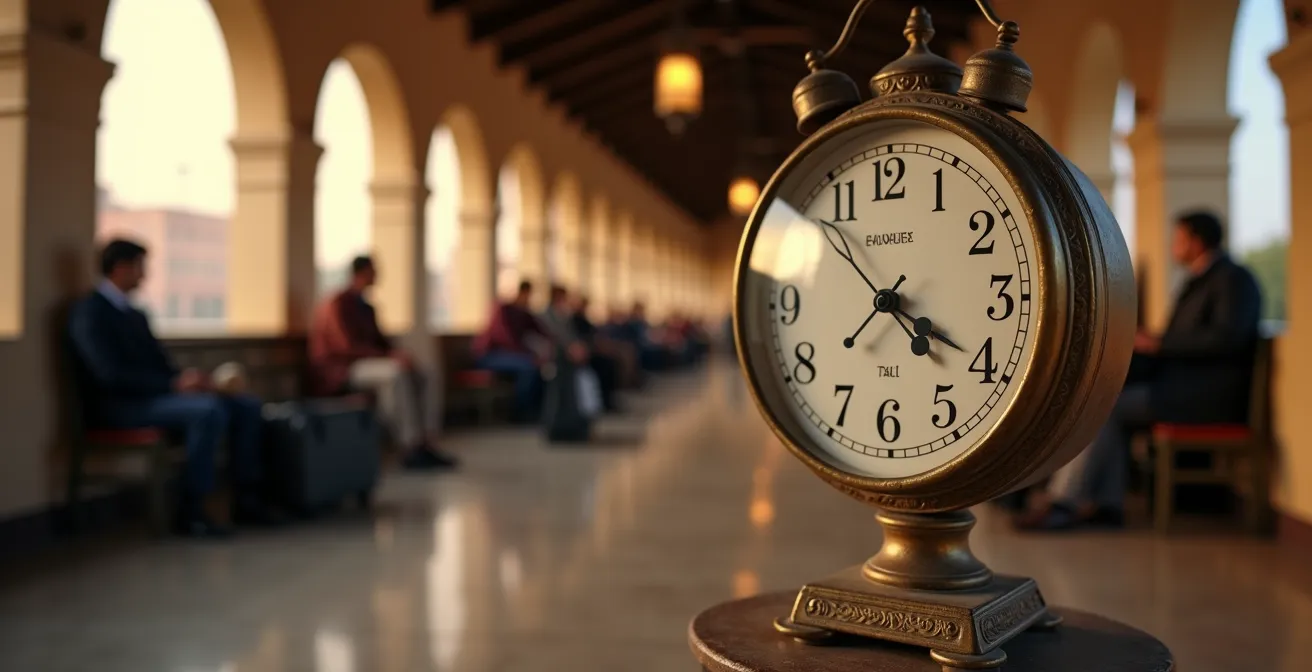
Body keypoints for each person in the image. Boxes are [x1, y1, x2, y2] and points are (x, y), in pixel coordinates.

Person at [1016, 210, 1262, 531]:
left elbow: (1228, 337)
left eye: (1179, 239)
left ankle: (1066, 500)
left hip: (1204, 395)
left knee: (1103, 408)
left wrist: (1159, 343)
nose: (1174, 246)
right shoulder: (1206, 279)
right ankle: (1106, 506)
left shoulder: (1233, 279)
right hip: (1182, 387)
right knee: (1106, 403)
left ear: (1197, 241)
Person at [68, 239, 278, 538]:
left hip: (157, 398)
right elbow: (109, 375)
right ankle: (191, 511)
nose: (145, 275)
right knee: (206, 413)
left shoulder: (135, 315)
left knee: (246, 406)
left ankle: (248, 500)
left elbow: (161, 364)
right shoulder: (89, 313)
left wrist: (191, 381)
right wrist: (171, 384)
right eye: (141, 267)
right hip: (120, 406)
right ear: (120, 268)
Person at [308, 255, 458, 471]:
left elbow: (382, 342)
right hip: (341, 370)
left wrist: (398, 353)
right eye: (373, 271)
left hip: (368, 364)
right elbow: (345, 346)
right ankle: (409, 445)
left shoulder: (367, 308)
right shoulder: (337, 304)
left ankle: (427, 440)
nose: (377, 276)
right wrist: (389, 357)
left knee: (426, 373)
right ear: (360, 273)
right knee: (394, 374)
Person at [472, 280, 550, 421]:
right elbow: (506, 337)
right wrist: (529, 355)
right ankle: (521, 412)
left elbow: (541, 329)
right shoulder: (503, 309)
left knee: (539, 366)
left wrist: (556, 343)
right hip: (489, 356)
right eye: (528, 296)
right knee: (529, 366)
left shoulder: (523, 312)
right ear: (521, 293)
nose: (529, 300)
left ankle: (538, 409)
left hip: (512, 356)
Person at [570, 295, 623, 412]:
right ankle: (604, 401)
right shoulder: (572, 319)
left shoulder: (584, 320)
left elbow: (595, 335)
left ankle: (608, 399)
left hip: (589, 351)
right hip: (582, 353)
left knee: (610, 362)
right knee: (604, 365)